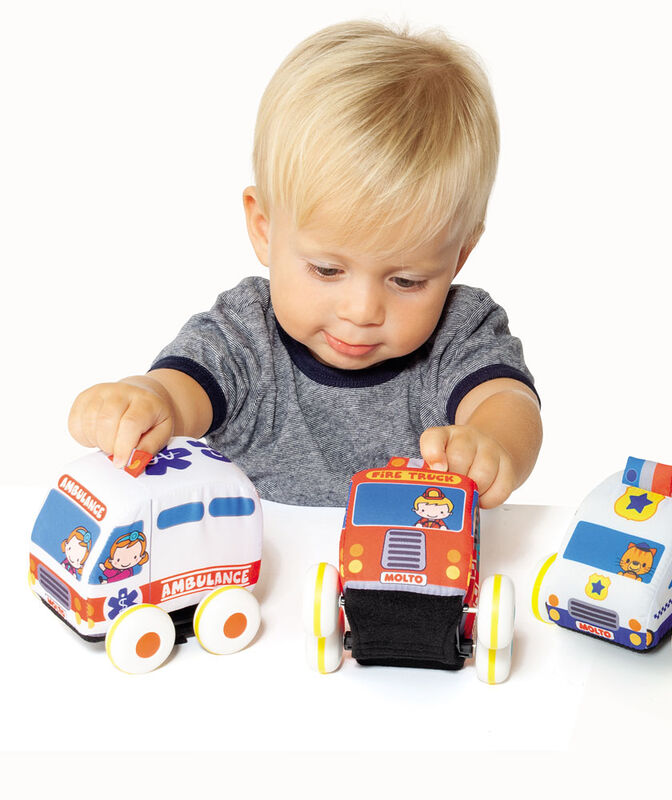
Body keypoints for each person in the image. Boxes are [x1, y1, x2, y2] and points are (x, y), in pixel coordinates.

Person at [68, 20, 542, 509]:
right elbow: (180, 393)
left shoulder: (459, 332)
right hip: (258, 557)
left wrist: (491, 445)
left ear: (459, 255)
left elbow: (508, 402)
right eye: (327, 270)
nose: (362, 310)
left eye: (407, 280)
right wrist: (146, 400)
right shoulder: (246, 333)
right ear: (264, 228)